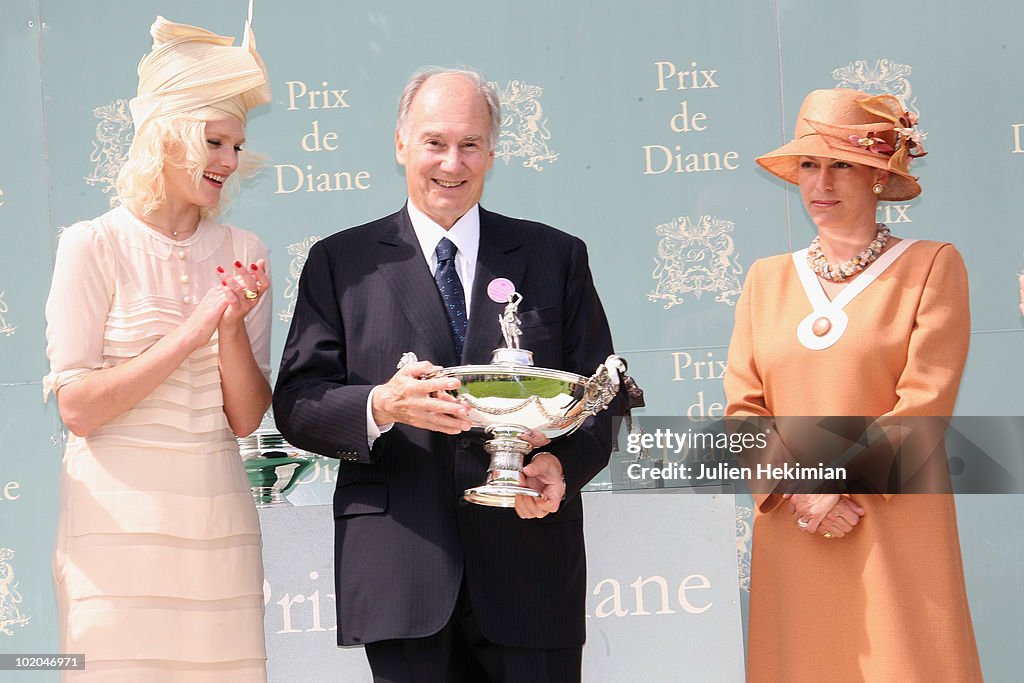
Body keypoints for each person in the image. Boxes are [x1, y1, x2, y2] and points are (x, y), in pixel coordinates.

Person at [273, 66, 617, 682]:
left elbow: (601, 393)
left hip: (529, 568)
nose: (451, 163)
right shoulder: (340, 263)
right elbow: (298, 402)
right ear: (400, 143)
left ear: (492, 150)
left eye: (470, 144)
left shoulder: (555, 256)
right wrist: (381, 406)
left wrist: (561, 464)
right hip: (402, 571)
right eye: (434, 142)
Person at [724, 88, 983, 681]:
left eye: (842, 163)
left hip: (891, 521)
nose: (822, 182)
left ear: (878, 175)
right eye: (809, 165)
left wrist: (834, 486)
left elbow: (924, 404)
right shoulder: (766, 280)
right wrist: (803, 492)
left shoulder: (933, 265)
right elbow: (743, 408)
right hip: (795, 524)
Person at [43, 13, 272, 681]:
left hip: (215, 536)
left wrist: (229, 326)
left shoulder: (244, 253)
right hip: (112, 541)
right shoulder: (92, 245)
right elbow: (78, 408)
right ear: (168, 136)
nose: (229, 162)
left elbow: (247, 419)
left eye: (237, 146)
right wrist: (197, 323)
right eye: (215, 142)